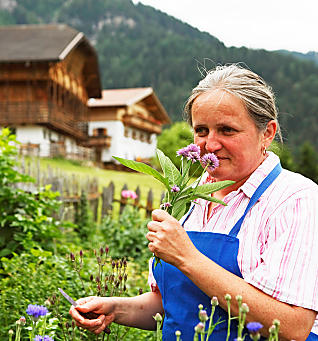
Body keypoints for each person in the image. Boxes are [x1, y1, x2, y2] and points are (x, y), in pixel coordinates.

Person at [69, 64, 318, 340]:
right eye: (201, 130)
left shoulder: (294, 200)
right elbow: (176, 304)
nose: (210, 145)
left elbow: (294, 326)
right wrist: (116, 308)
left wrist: (188, 258)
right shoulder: (189, 198)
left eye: (227, 130)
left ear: (267, 133)